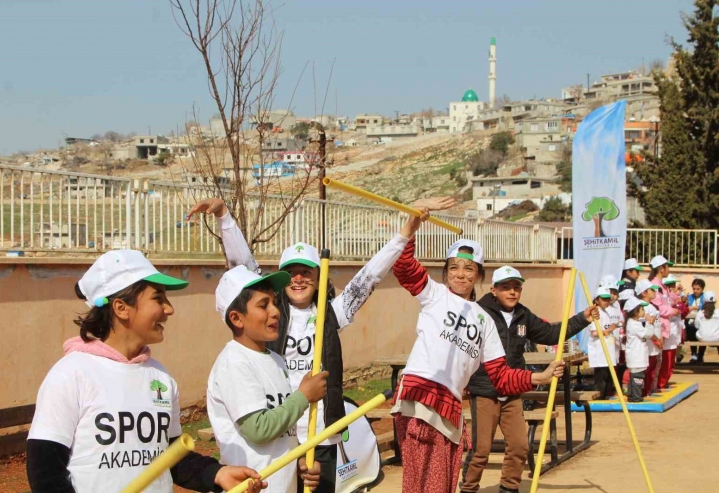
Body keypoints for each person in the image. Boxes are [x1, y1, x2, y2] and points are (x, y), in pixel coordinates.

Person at [186, 195, 456, 493]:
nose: (299, 279)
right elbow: (243, 268)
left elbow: (368, 278)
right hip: (280, 433)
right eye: (291, 272)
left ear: (318, 277)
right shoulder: (271, 314)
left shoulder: (333, 313)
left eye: (307, 272)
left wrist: (406, 231)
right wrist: (225, 217)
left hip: (321, 434)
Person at [26, 250, 266, 493]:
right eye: (158, 298)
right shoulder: (70, 374)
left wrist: (216, 473)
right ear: (121, 307)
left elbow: (172, 458)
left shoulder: (161, 378)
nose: (169, 309)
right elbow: (45, 472)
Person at [391, 233, 565, 493]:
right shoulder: (434, 294)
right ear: (446, 272)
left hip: (448, 408)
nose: (460, 274)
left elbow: (502, 376)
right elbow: (403, 265)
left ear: (479, 275)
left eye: (468, 268)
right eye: (454, 268)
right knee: (420, 484)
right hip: (418, 398)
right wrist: (413, 222)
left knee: (442, 484)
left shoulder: (484, 320)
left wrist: (540, 377)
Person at [461, 266, 599, 493]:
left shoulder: (523, 315)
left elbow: (551, 334)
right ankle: (468, 487)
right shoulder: (478, 313)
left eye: (516, 287)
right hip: (485, 390)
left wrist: (583, 318)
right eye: (506, 287)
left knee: (519, 445)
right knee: (481, 449)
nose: (512, 292)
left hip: (513, 389)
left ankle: (509, 487)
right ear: (494, 290)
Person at [207, 265, 324, 493]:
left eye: (273, 302)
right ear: (236, 318)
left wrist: (299, 460)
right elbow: (258, 429)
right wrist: (303, 397)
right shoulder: (234, 363)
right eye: (263, 305)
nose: (275, 311)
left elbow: (283, 427)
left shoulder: (276, 360)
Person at [648, 256, 680, 390]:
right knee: (654, 360)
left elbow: (667, 302)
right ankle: (651, 387)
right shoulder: (654, 286)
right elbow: (658, 308)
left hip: (664, 327)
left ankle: (655, 386)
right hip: (657, 327)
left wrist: (675, 295)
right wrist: (673, 311)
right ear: (661, 269)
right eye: (667, 267)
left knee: (660, 360)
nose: (669, 269)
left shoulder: (662, 286)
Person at [587, 287, 620, 400]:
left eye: (608, 299)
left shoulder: (606, 312)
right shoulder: (595, 313)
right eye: (604, 299)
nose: (607, 301)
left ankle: (605, 396)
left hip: (608, 350)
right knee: (601, 377)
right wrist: (609, 330)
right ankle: (598, 398)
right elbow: (595, 332)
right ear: (596, 300)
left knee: (608, 376)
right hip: (600, 351)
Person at [635, 279, 663, 395]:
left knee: (652, 369)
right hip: (648, 344)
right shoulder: (641, 308)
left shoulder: (652, 307)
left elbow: (657, 325)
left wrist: (660, 339)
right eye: (652, 290)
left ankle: (648, 390)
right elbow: (643, 328)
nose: (654, 292)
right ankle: (642, 391)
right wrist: (656, 340)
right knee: (645, 369)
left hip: (655, 344)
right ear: (644, 293)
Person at [624, 297, 654, 403]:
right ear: (635, 312)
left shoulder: (632, 322)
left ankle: (632, 396)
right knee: (638, 377)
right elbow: (647, 334)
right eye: (642, 309)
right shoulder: (634, 324)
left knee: (634, 377)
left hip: (635, 356)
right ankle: (636, 397)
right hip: (637, 356)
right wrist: (650, 323)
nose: (644, 311)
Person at [685, 278, 706, 363]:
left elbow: (707, 306)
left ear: (702, 289)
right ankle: (694, 354)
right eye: (694, 289)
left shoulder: (705, 297)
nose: (696, 291)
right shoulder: (689, 297)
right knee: (692, 336)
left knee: (703, 338)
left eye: (698, 289)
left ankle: (700, 356)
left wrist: (694, 307)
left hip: (702, 322)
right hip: (690, 322)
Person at [695, 291, 719, 361]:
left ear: (704, 301)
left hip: (702, 338)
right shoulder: (718, 312)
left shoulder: (700, 313)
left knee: (702, 335)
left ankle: (699, 359)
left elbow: (696, 326)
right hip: (717, 338)